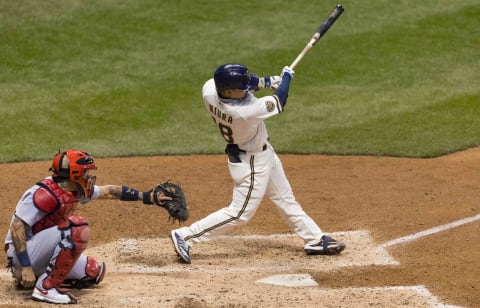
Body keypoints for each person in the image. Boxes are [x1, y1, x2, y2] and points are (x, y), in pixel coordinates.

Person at [170, 63, 345, 264]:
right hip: (252, 162)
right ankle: (186, 236)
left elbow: (250, 84)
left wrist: (269, 81)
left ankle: (314, 239)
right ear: (228, 91)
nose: (246, 91)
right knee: (239, 213)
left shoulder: (210, 89)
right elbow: (279, 101)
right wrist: (286, 77)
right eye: (241, 89)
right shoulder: (244, 112)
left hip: (261, 153)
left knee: (285, 198)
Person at [4, 149, 173, 304]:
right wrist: (26, 267)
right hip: (23, 257)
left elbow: (109, 191)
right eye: (85, 172)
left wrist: (146, 197)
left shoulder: (72, 189)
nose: (88, 176)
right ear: (74, 173)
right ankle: (45, 288)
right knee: (76, 227)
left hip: (39, 253)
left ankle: (44, 276)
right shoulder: (44, 195)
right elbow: (17, 227)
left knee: (91, 272)